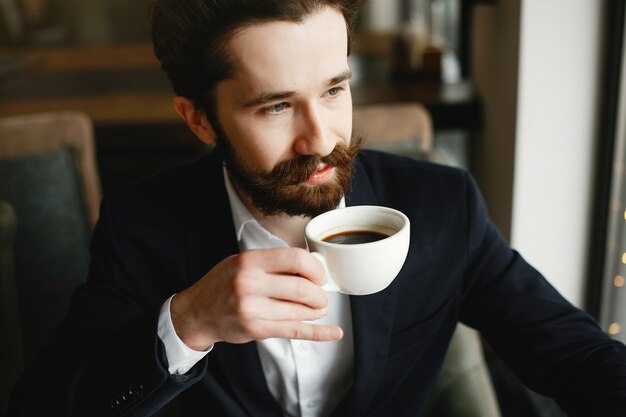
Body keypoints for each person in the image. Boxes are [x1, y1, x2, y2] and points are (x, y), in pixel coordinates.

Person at [8, 0, 626, 416]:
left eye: (334, 89)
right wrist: (189, 321)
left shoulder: (444, 206)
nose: (321, 139)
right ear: (198, 118)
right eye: (276, 106)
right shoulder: (139, 227)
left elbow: (573, 353)